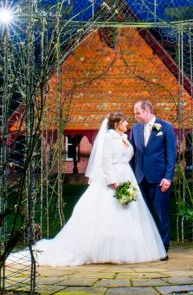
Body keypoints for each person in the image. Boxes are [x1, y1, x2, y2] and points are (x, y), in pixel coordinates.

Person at [20, 112, 166, 266]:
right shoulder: (109, 139)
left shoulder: (124, 139)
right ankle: (102, 250)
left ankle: (129, 248)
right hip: (114, 179)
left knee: (131, 213)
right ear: (116, 124)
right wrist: (114, 183)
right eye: (124, 122)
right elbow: (105, 161)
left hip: (127, 176)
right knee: (108, 213)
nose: (127, 124)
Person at [131, 99, 176, 256]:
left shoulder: (166, 127)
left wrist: (168, 177)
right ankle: (147, 248)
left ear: (147, 111)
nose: (135, 116)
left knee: (161, 214)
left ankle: (163, 249)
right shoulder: (135, 129)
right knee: (143, 215)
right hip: (140, 179)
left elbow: (171, 154)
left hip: (160, 180)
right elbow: (132, 155)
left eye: (138, 113)